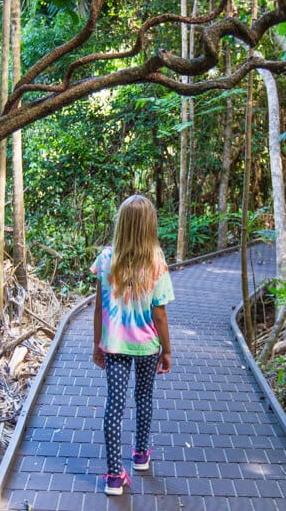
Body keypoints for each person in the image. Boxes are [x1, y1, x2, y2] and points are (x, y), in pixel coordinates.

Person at [90, 194, 174, 496]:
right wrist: (167, 350)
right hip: (148, 345)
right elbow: (159, 313)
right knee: (144, 397)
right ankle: (140, 455)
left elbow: (99, 308)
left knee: (114, 405)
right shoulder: (156, 261)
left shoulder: (105, 258)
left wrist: (96, 343)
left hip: (114, 346)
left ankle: (114, 476)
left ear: (122, 223)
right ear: (149, 225)